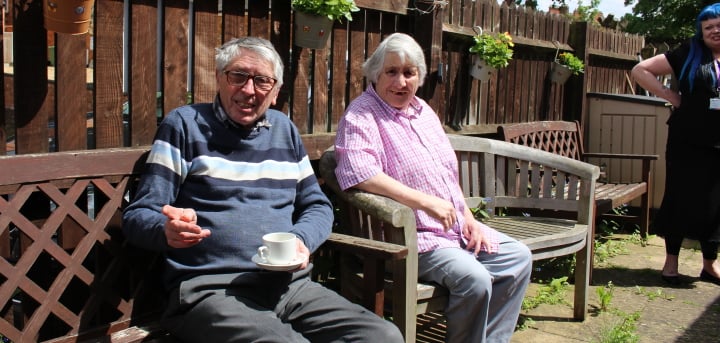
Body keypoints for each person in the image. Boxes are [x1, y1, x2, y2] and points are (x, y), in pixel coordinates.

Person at [122, 36, 404, 342]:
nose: (248, 90)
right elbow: (139, 214)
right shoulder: (184, 126)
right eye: (238, 76)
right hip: (210, 291)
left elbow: (317, 206)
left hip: (289, 287)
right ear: (219, 77)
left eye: (261, 81)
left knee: (382, 335)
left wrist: (302, 240)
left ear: (275, 91)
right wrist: (167, 229)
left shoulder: (284, 131)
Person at [333, 32, 532, 343]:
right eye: (391, 72)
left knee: (517, 258)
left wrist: (469, 217)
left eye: (409, 73)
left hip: (452, 229)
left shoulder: (423, 112)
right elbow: (361, 174)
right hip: (410, 238)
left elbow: (446, 176)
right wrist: (426, 202)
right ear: (375, 73)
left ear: (420, 77)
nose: (401, 82)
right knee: (475, 279)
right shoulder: (362, 115)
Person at [631, 3, 720, 286]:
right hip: (687, 141)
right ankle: (671, 263)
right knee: (680, 197)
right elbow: (640, 70)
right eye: (709, 27)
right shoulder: (688, 53)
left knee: (716, 204)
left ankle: (709, 265)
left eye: (719, 25)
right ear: (701, 31)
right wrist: (672, 96)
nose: (715, 31)